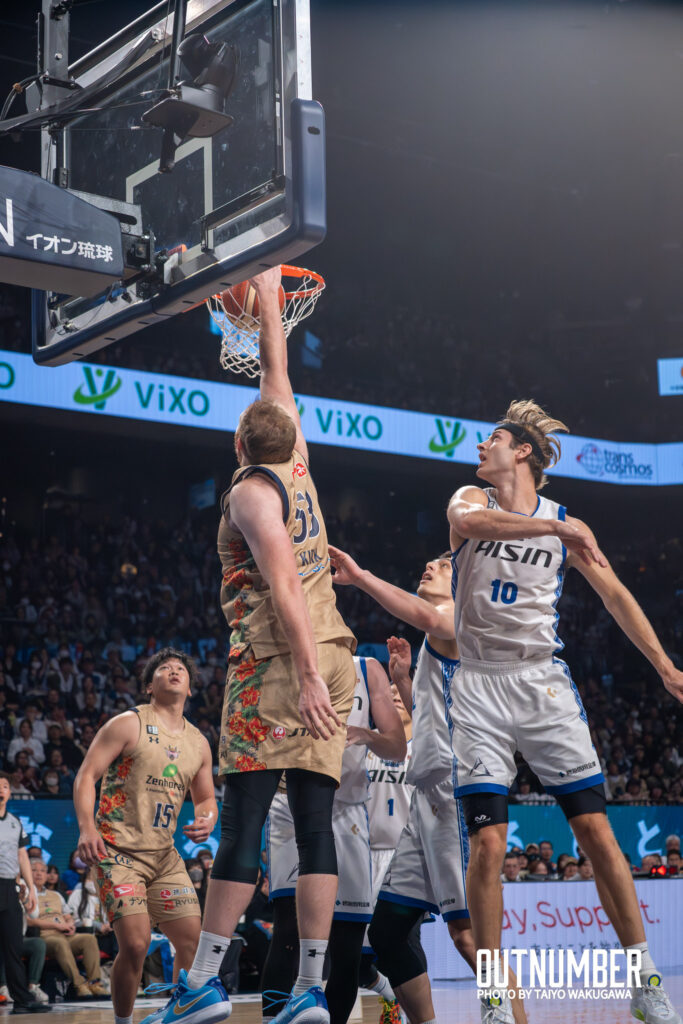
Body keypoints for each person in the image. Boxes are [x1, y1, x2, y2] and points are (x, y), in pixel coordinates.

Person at [443, 400, 683, 1022]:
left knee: (596, 831)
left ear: (522, 450)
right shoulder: (470, 500)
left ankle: (644, 979)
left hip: (541, 683)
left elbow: (616, 596)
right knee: (488, 844)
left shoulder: (566, 523)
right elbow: (472, 526)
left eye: (493, 438)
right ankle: (493, 995)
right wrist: (557, 532)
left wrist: (665, 666)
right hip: (478, 686)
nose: (480, 446)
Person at [160, 266, 357, 1024]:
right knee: (313, 827)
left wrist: (301, 675)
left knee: (243, 823)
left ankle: (203, 984)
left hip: (284, 663)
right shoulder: (296, 458)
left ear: (240, 440)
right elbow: (277, 371)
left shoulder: (248, 490)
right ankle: (309, 989)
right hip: (336, 653)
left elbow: (282, 585)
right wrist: (270, 296)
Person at [329, 551, 527, 1024]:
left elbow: (424, 615)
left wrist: (362, 576)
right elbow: (436, 719)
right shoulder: (437, 637)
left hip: (455, 790)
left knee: (469, 935)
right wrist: (404, 682)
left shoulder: (464, 617)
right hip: (426, 796)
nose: (431, 567)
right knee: (388, 930)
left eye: (443, 565)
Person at [74, 647, 217, 1024]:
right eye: (164, 668)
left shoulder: (199, 742)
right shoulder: (127, 723)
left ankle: (179, 1011)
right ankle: (123, 1021)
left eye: (180, 669)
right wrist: (87, 828)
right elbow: (86, 776)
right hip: (117, 850)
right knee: (136, 944)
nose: (174, 671)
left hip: (164, 857)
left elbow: (205, 798)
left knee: (192, 941)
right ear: (149, 686)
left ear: (190, 687)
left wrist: (207, 818)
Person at [262, 656, 405, 1024]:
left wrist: (367, 735)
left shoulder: (367, 668)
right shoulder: (282, 658)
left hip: (347, 811)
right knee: (289, 929)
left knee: (348, 945)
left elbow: (396, 747)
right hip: (290, 807)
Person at [0, 772, 49, 1014]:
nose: (1, 790)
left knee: (13, 945)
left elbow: (22, 856)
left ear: (10, 792)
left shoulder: (15, 822)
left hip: (9, 887)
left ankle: (21, 1000)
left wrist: (31, 889)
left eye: (4, 786)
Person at [30, 858, 106, 998]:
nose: (39, 874)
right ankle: (79, 984)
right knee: (60, 943)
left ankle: (94, 983)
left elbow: (67, 915)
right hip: (44, 936)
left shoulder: (56, 895)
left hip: (64, 934)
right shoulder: (26, 895)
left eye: (42, 871)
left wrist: (70, 924)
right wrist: (56, 925)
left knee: (88, 939)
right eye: (34, 870)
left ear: (46, 875)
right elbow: (29, 921)